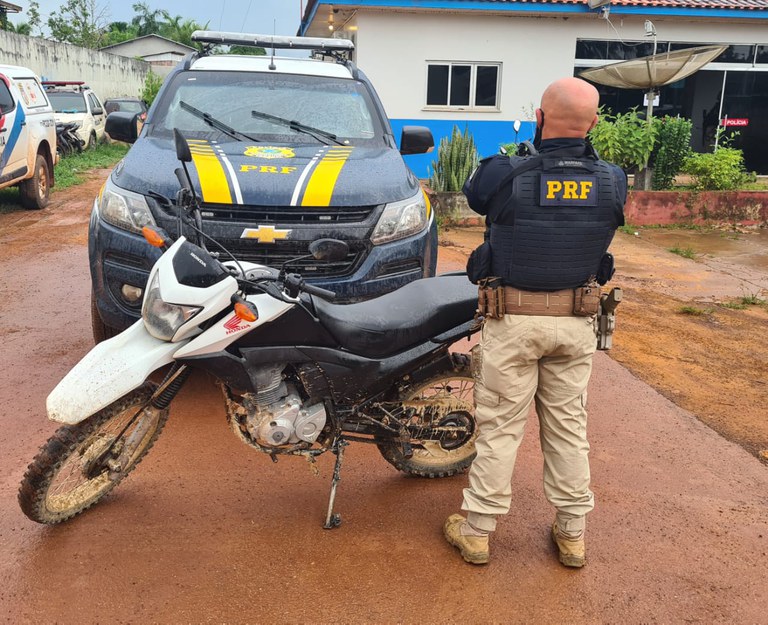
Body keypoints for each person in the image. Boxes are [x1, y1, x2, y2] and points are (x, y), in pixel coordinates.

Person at [443, 77, 626, 568]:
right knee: (568, 429)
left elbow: (477, 193)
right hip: (575, 322)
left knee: (501, 428)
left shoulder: (505, 174)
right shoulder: (613, 178)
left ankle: (478, 531)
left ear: (540, 118)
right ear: (593, 123)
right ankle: (571, 534)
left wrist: (527, 155)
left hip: (514, 320)